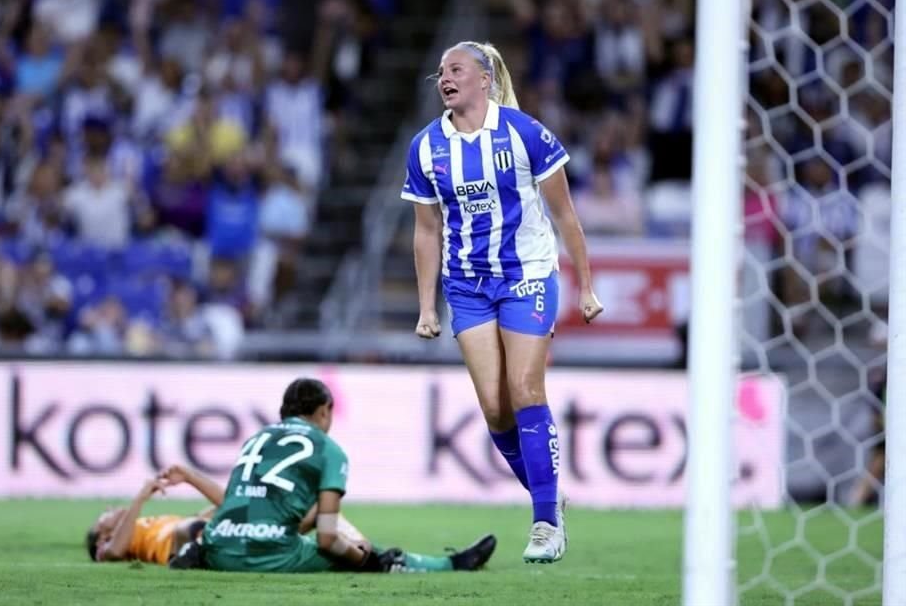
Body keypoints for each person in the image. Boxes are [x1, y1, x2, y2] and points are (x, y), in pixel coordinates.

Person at [400, 41, 603, 563]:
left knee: (524, 386)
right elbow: (427, 231)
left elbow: (565, 216)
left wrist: (585, 284)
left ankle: (544, 523)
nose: (445, 77)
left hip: (526, 274)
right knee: (494, 408)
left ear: (485, 80)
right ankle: (549, 496)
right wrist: (427, 307)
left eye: (456, 69)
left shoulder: (525, 133)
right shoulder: (426, 147)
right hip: (466, 285)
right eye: (440, 71)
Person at [175, 377, 496, 573]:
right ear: (325, 410)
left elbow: (239, 502)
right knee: (370, 555)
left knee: (311, 521)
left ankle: (196, 553)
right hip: (269, 555)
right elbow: (327, 540)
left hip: (218, 546)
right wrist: (362, 559)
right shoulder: (329, 450)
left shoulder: (256, 439)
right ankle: (448, 565)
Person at [86, 462, 370, 566]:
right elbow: (114, 552)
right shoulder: (113, 545)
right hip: (191, 540)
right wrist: (141, 496)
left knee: (309, 511)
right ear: (101, 537)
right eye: (105, 516)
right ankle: (360, 551)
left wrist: (189, 477)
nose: (111, 511)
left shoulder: (150, 523)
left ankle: (360, 546)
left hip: (210, 532)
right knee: (195, 527)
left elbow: (229, 504)